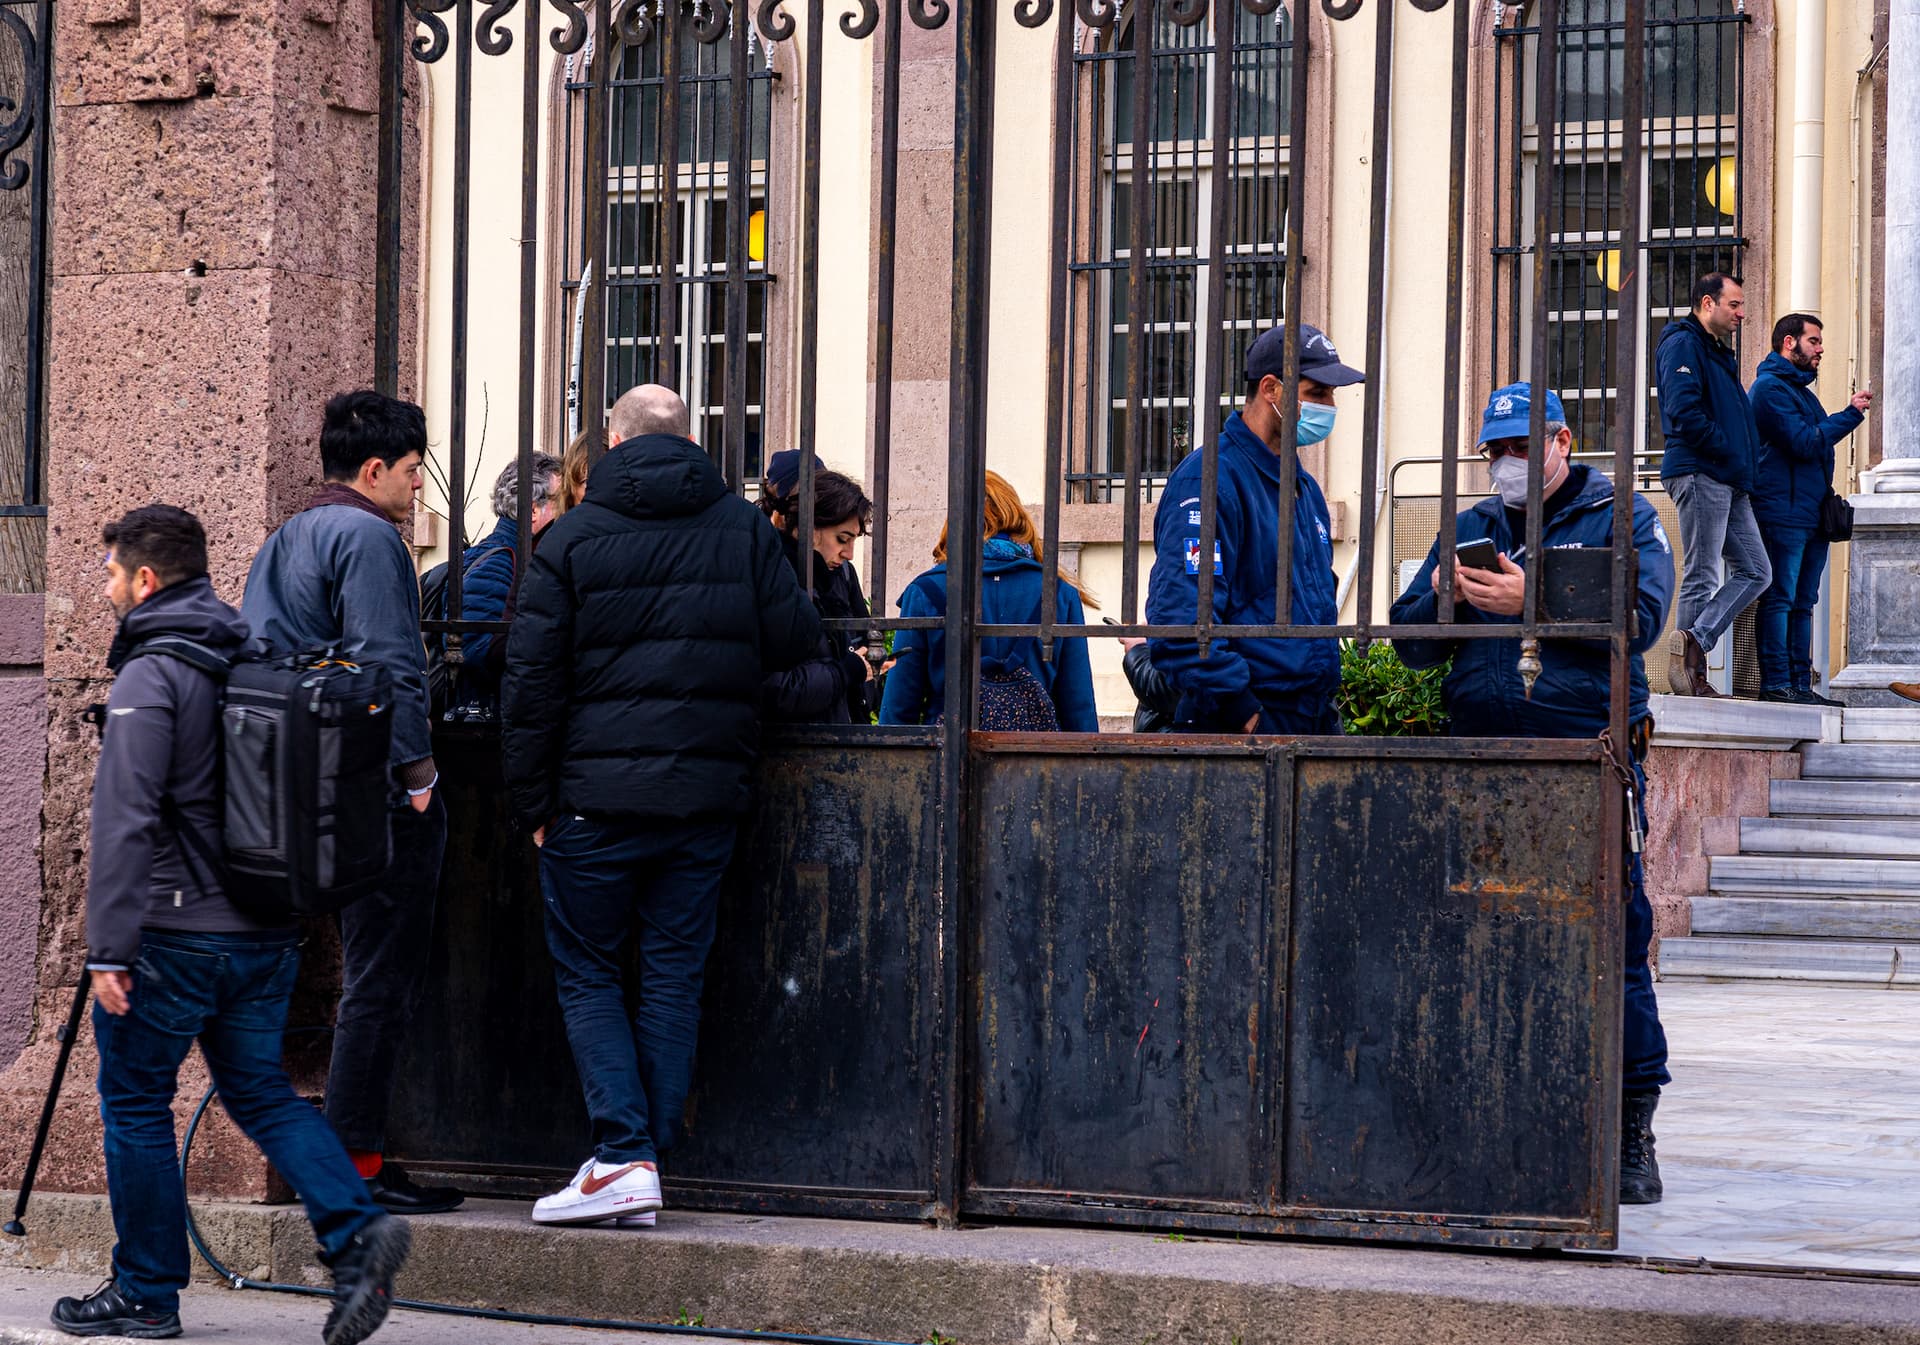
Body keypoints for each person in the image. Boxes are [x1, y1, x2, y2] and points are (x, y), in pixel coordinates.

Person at [61, 505, 408, 1345]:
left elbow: (125, 819)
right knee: (258, 1090)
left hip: (175, 936)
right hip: (266, 930)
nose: (106, 587)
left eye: (111, 572)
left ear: (146, 579)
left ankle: (146, 1290)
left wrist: (108, 944)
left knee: (136, 1101)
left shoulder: (153, 673)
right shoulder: (249, 649)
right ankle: (356, 1229)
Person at [501, 384, 822, 1227]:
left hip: (593, 804)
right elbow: (798, 643)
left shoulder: (569, 538)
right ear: (690, 438)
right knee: (674, 975)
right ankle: (642, 1161)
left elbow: (529, 686)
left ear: (610, 441)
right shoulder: (744, 529)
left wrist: (532, 801)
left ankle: (619, 1153)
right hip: (705, 798)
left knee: (590, 972)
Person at [1389, 383, 1675, 1205]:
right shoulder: (1474, 525)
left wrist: (1534, 603)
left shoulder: (1623, 516)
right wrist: (1443, 595)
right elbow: (1409, 645)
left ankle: (1629, 1128)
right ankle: (1493, 1121)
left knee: (1612, 944)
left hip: (1583, 766)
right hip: (1481, 765)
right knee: (1480, 944)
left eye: (1520, 447)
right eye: (1495, 452)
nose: (1506, 464)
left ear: (1562, 440)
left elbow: (1644, 616)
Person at [241, 390, 461, 1216]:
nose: (417, 489)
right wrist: (421, 780)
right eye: (411, 471)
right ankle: (356, 1163)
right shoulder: (370, 537)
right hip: (370, 787)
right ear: (374, 470)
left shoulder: (286, 535)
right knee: (380, 974)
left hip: (297, 782)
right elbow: (392, 670)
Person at [1144, 322, 1360, 734]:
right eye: (1317, 393)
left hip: (1308, 717)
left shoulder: (1303, 487)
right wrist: (1245, 714)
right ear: (1271, 389)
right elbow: (1181, 623)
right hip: (1246, 722)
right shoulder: (1209, 480)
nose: (1329, 406)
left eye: (1331, 394)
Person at [878, 470, 1098, 731]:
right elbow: (1078, 705)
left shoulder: (925, 591)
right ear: (1015, 516)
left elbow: (900, 704)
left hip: (950, 755)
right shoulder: (1058, 593)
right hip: (1035, 759)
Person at [1749, 314, 1872, 706]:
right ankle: (1777, 685)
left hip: (1809, 514)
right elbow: (1805, 443)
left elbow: (1816, 443)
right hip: (1781, 513)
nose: (1821, 349)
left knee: (1804, 603)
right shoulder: (1769, 389)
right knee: (1781, 598)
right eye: (1814, 341)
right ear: (1789, 343)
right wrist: (1850, 414)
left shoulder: (1802, 392)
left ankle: (1800, 687)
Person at [1657, 272, 1769, 699]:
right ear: (1708, 303)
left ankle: (1695, 639)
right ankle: (1688, 677)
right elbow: (1683, 410)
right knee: (1701, 574)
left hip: (1729, 478)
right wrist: (1724, 449)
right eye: (1735, 305)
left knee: (1757, 571)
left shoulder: (1718, 351)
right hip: (1702, 471)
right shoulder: (1683, 343)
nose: (1742, 313)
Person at [445, 452, 562, 716]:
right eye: (561, 500)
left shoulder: (517, 555)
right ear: (533, 510)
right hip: (488, 718)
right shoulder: (499, 561)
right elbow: (473, 650)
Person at [761, 467, 879, 725]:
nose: (849, 554)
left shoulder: (827, 580)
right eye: (841, 539)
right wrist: (847, 671)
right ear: (808, 528)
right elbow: (773, 688)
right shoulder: (776, 583)